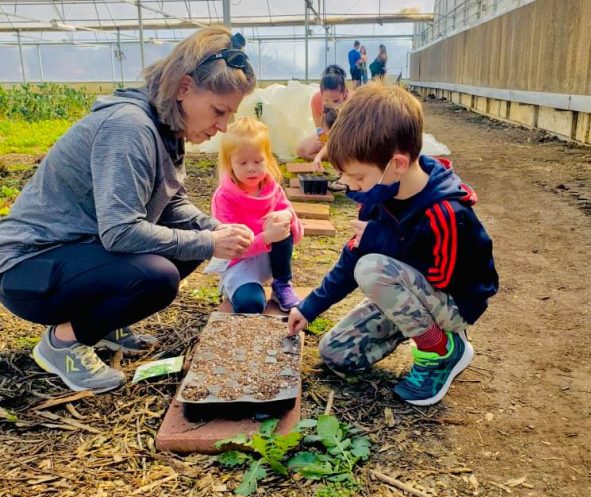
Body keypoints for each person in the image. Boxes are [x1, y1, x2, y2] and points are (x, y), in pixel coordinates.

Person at [0, 25, 256, 393]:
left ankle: (105, 323)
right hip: (29, 268)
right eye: (218, 111)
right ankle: (63, 343)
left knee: (189, 247)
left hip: (77, 254)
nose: (223, 125)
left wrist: (213, 230)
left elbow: (171, 204)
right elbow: (121, 231)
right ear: (184, 88)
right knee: (158, 275)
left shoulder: (167, 127)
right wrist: (207, 242)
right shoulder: (128, 128)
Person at [288, 83, 498, 407]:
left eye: (359, 178)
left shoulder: (446, 213)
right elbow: (353, 254)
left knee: (371, 268)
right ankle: (417, 329)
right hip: (406, 292)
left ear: (397, 164)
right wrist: (310, 307)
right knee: (336, 353)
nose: (354, 187)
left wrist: (381, 240)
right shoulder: (379, 194)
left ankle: (441, 350)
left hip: (453, 302)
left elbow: (441, 277)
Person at [211, 117, 304, 313]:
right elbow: (231, 247)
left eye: (258, 161)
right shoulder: (225, 197)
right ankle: (237, 289)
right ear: (230, 163)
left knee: (283, 220)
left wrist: (287, 217)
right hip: (239, 263)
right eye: (243, 162)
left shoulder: (272, 188)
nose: (251, 168)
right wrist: (267, 237)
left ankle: (281, 284)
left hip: (268, 258)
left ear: (268, 159)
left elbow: (295, 227)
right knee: (251, 304)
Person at [296, 65, 352, 161]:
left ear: (344, 93)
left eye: (336, 101)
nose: (330, 104)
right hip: (329, 137)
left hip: (348, 138)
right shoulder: (316, 99)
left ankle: (333, 156)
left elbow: (355, 132)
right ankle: (333, 156)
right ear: (321, 93)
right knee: (301, 149)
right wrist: (324, 141)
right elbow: (320, 129)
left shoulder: (353, 100)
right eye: (326, 99)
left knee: (350, 151)